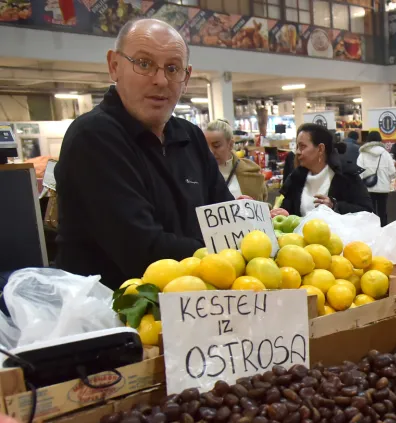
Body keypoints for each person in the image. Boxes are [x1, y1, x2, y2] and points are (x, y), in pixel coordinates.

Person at [54, 18, 231, 289]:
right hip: (116, 318)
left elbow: (226, 213)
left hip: (194, 309)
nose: (161, 80)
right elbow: (143, 252)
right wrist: (229, 250)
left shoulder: (190, 136)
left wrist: (257, 220)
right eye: (144, 64)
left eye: (173, 68)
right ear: (114, 66)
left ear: (186, 77)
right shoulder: (93, 137)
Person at [280, 123, 372, 217]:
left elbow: (367, 210)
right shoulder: (296, 178)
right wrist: (282, 213)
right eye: (297, 147)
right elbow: (287, 210)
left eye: (302, 146)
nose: (298, 152)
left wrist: (335, 206)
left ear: (320, 149)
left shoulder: (345, 176)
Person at [205, 119, 268, 201]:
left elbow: (264, 207)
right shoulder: (196, 175)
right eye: (206, 147)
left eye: (216, 145)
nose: (210, 152)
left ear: (230, 144)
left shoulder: (252, 172)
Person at [357, 131, 396, 226]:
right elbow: (392, 171)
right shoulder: (385, 154)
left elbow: (359, 172)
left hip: (368, 188)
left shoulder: (363, 154)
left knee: (370, 212)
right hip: (383, 188)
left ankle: (371, 230)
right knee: (382, 211)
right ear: (380, 140)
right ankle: (383, 230)